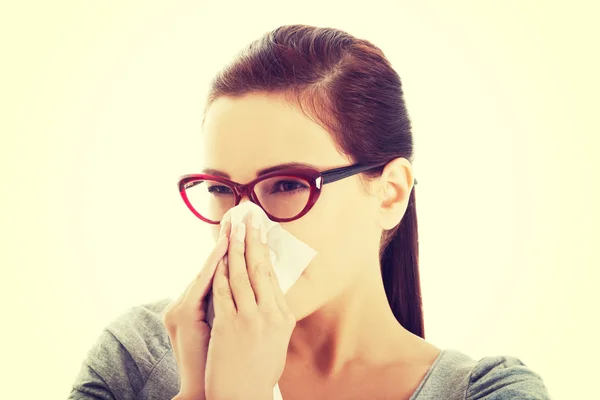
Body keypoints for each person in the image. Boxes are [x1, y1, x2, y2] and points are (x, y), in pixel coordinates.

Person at [68, 24, 552, 400]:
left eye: (285, 184)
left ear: (389, 194)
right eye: (220, 187)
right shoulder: (138, 357)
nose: (240, 225)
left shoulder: (484, 390)